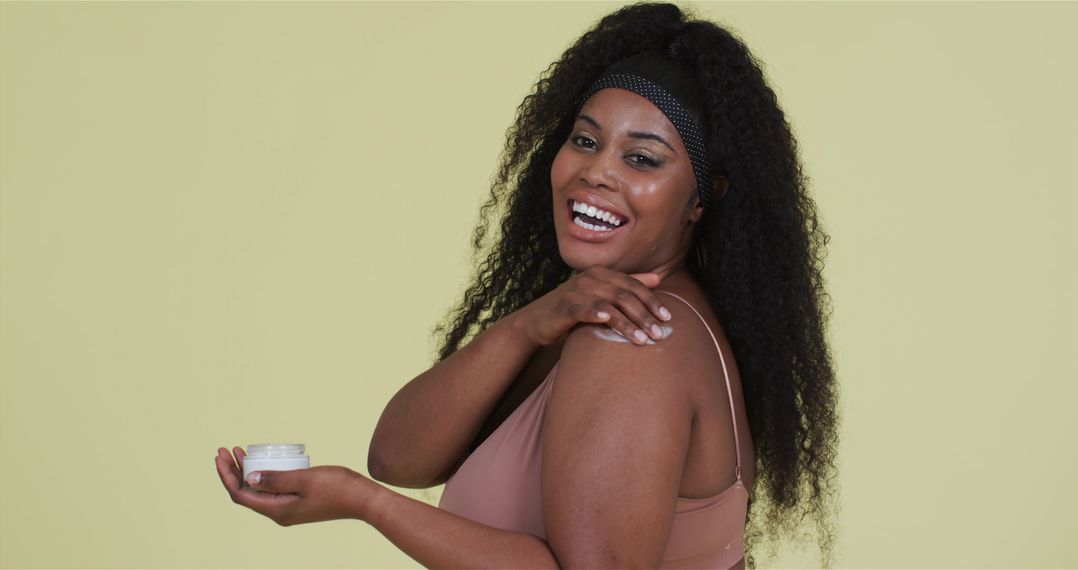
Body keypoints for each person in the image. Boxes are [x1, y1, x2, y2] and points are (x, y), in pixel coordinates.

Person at [214, 3, 840, 569]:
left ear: (705, 199)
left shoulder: (633, 336)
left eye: (642, 158)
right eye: (585, 140)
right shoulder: (582, 314)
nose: (595, 172)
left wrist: (361, 502)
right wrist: (528, 323)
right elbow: (398, 458)